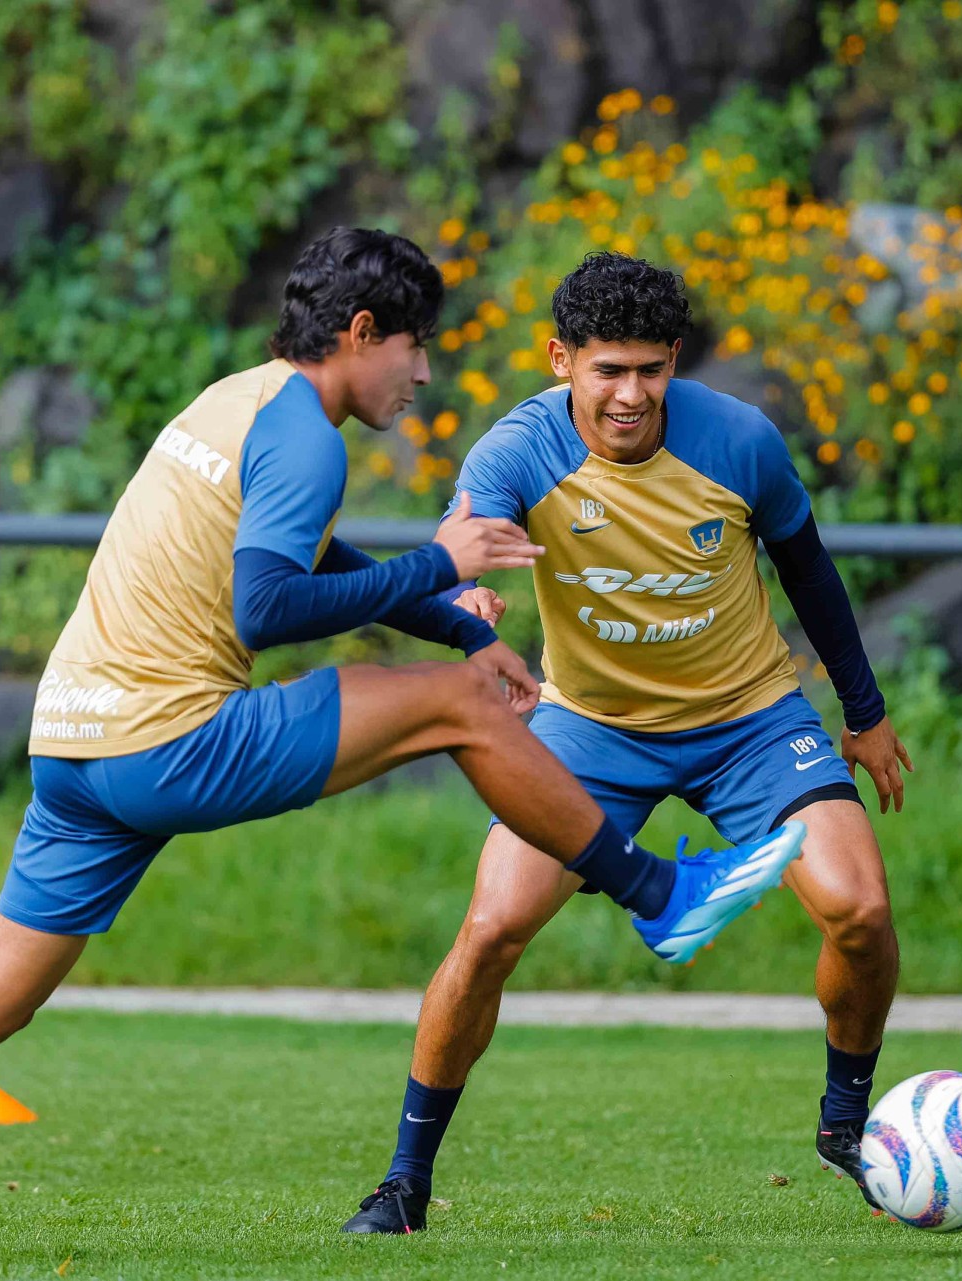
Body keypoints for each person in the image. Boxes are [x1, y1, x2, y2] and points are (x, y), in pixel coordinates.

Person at [0, 227, 805, 1266]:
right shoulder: (305, 435)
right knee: (464, 708)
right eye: (415, 349)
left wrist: (458, 623)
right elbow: (268, 605)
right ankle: (655, 892)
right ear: (361, 332)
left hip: (71, 746)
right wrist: (441, 565)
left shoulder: (239, 399)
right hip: (166, 739)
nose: (422, 377)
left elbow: (312, 551)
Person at [341, 252, 913, 1234]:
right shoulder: (518, 450)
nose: (630, 395)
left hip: (752, 722)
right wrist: (463, 597)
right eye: (608, 370)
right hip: (591, 729)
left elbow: (810, 572)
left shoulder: (739, 440)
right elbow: (459, 546)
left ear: (675, 361)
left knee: (860, 910)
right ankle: (403, 1183)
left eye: (651, 370)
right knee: (492, 927)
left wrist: (864, 714)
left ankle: (845, 1124)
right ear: (562, 359)